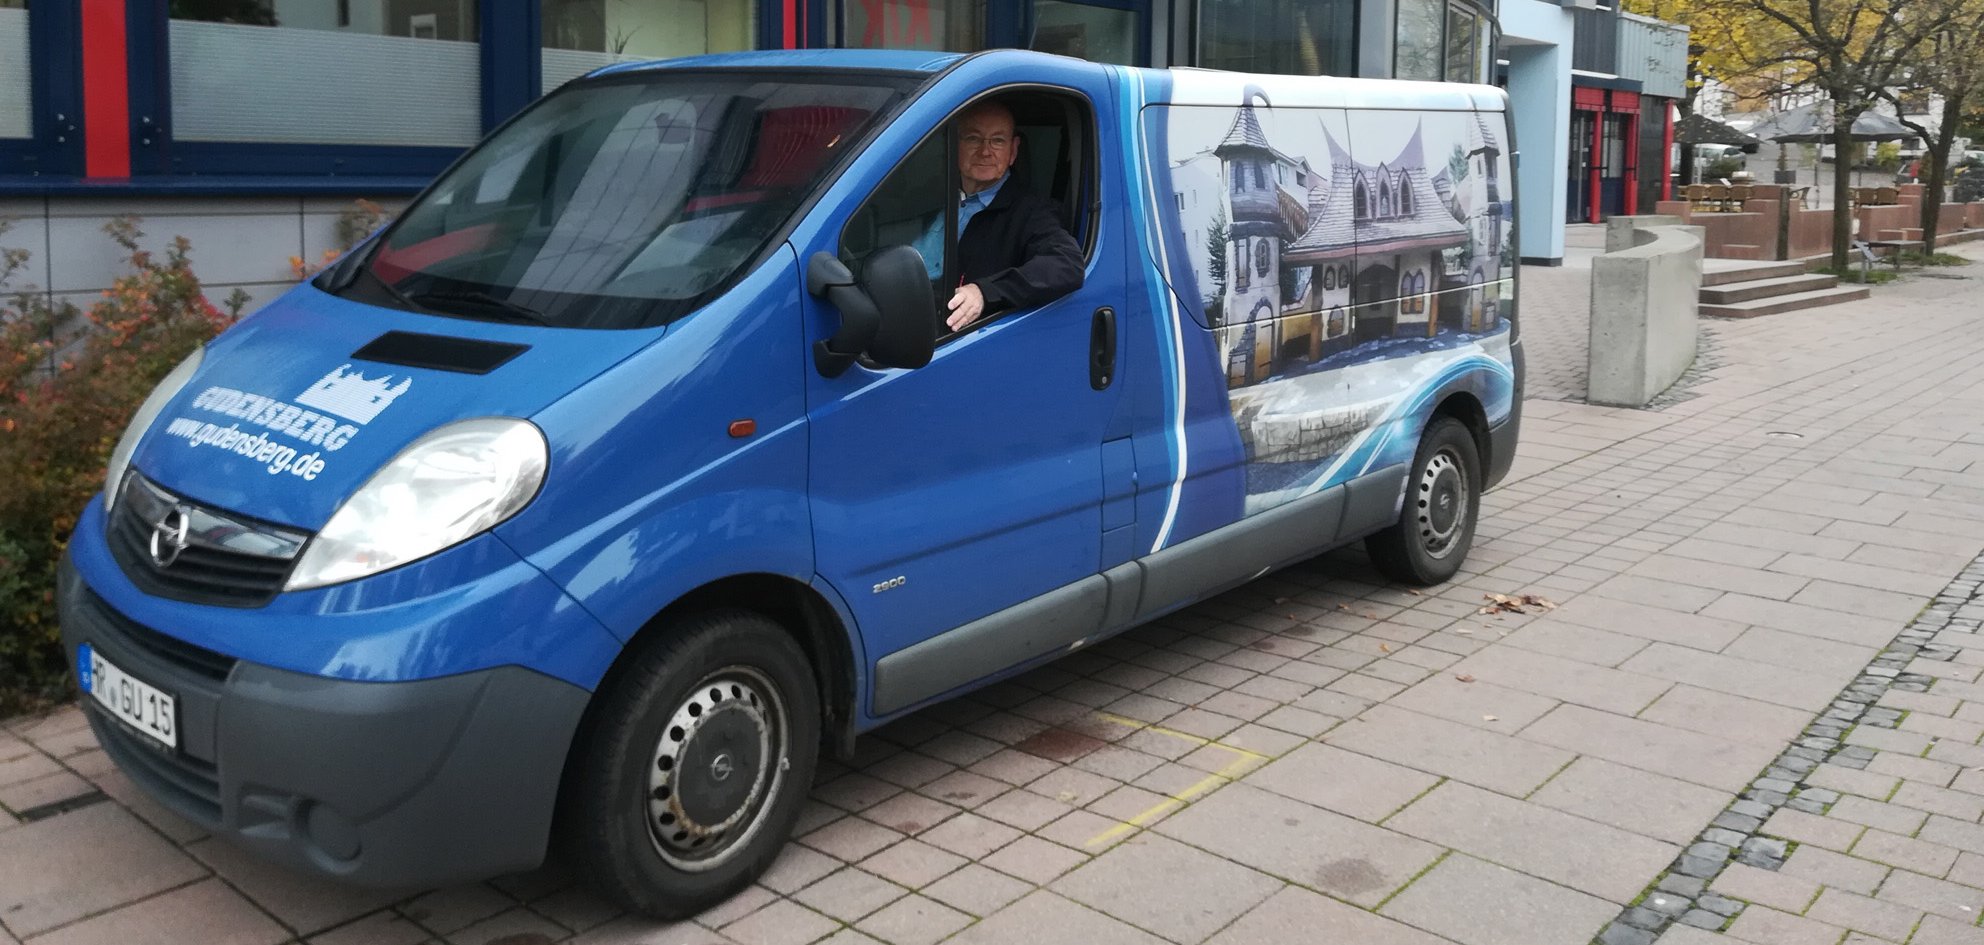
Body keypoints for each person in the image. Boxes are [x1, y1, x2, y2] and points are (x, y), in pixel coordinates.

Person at [914, 100, 1085, 332]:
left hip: (957, 340)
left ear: (1013, 151)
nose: (985, 151)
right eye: (973, 138)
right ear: (954, 144)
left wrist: (985, 292)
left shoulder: (1032, 211)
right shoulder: (929, 197)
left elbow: (1067, 265)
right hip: (908, 316)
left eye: (997, 141)